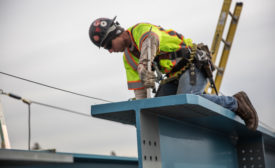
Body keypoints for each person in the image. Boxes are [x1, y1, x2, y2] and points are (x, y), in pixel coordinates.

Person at [88, 17, 258, 130]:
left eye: (108, 45)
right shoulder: (128, 59)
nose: (110, 51)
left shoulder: (139, 30)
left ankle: (236, 103)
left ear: (116, 33)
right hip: (172, 77)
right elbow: (141, 96)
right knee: (161, 110)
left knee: (187, 101)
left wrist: (144, 65)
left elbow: (151, 40)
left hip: (192, 63)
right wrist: (144, 117)